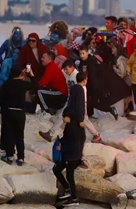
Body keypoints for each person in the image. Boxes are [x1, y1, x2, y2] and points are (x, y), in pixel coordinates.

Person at [39, 59, 101, 143]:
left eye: (67, 69)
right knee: (62, 115)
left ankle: (96, 134)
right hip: (71, 99)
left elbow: (82, 88)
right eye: (65, 69)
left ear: (72, 68)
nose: (65, 71)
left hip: (79, 100)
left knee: (84, 118)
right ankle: (50, 133)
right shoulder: (66, 73)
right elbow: (59, 72)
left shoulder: (77, 75)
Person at [53, 72, 88, 207]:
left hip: (72, 153)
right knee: (57, 170)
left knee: (69, 174)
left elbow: (75, 140)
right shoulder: (79, 91)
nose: (63, 119)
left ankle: (74, 198)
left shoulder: (73, 126)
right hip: (71, 152)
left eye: (64, 117)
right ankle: (68, 190)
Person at [0, 65, 37, 165]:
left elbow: (0, 98)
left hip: (8, 112)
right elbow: (36, 86)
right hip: (20, 112)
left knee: (9, 134)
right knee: (19, 135)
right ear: (21, 74)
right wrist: (31, 74)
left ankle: (9, 156)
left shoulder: (6, 84)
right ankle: (20, 158)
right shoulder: (23, 84)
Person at [77, 45, 99, 116]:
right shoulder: (81, 61)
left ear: (87, 52)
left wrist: (93, 85)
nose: (82, 55)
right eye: (80, 54)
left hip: (91, 84)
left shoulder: (92, 60)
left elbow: (93, 74)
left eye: (83, 53)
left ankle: (90, 113)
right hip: (85, 83)